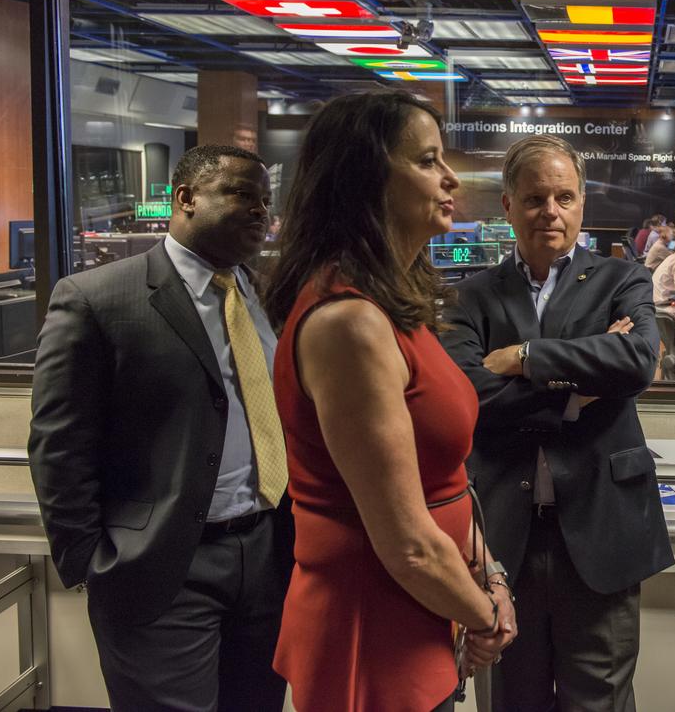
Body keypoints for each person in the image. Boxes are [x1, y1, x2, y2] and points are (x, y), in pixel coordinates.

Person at [262, 91, 516, 712]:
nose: (451, 178)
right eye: (427, 161)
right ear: (367, 179)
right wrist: (484, 614)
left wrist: (490, 577)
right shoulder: (348, 322)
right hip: (371, 626)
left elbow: (442, 483)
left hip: (426, 608)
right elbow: (407, 543)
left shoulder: (390, 303)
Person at [28, 144, 293, 711]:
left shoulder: (268, 295)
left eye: (266, 201)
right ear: (186, 198)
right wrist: (92, 561)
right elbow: (59, 446)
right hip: (159, 567)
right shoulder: (96, 298)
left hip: (268, 556)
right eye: (242, 194)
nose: (260, 211)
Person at [441, 134, 672, 711]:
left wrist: (525, 357)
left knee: (600, 700)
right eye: (535, 198)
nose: (551, 211)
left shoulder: (622, 279)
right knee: (512, 702)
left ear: (582, 203)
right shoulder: (469, 297)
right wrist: (577, 393)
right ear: (508, 205)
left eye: (565, 197)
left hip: (602, 531)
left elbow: (636, 359)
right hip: (504, 539)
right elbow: (466, 396)